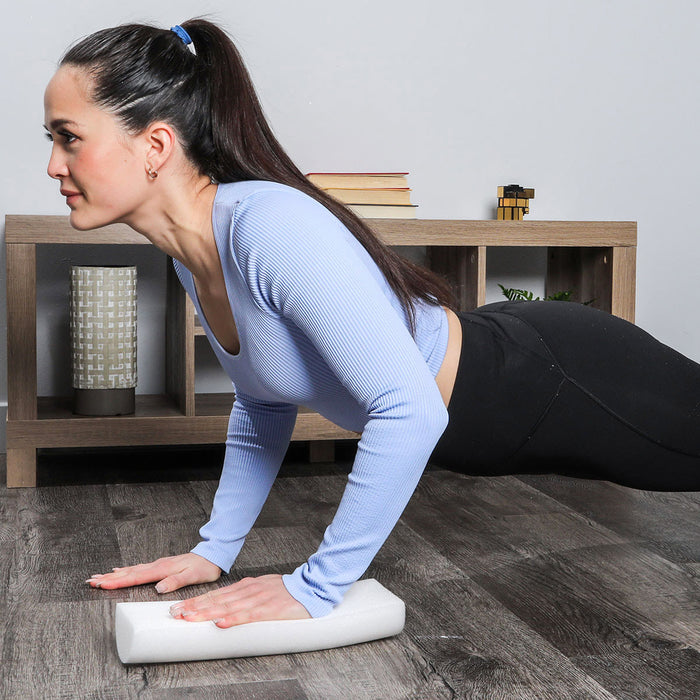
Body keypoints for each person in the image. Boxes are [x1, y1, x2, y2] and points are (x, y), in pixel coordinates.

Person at [43, 19, 699, 629]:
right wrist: (212, 551)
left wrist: (316, 586)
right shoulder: (194, 254)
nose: (54, 165)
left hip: (550, 381)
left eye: (69, 137)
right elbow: (263, 404)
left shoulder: (268, 228)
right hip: (498, 392)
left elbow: (410, 410)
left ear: (156, 144)